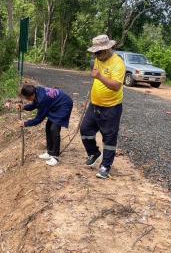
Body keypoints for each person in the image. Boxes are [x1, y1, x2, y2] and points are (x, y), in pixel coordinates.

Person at [80, 34, 125, 179]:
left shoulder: (118, 63)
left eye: (99, 52)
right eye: (95, 52)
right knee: (85, 129)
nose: (96, 55)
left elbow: (116, 86)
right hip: (94, 104)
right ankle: (93, 152)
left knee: (109, 137)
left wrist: (99, 76)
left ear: (108, 49)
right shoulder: (98, 60)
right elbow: (96, 78)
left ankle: (106, 166)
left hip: (111, 107)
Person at [18, 84, 73, 166]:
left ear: (32, 95)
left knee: (54, 129)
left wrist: (25, 123)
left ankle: (55, 157)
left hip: (64, 105)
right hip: (56, 105)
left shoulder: (42, 99)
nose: (27, 100)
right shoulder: (37, 91)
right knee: (48, 127)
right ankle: (50, 152)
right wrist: (24, 107)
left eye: (27, 98)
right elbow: (35, 104)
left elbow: (38, 119)